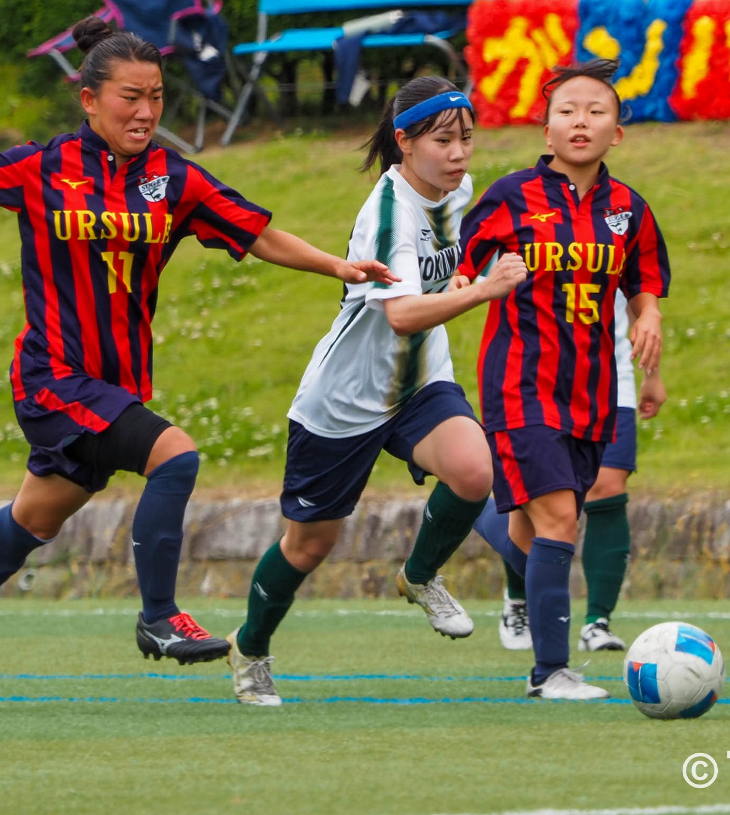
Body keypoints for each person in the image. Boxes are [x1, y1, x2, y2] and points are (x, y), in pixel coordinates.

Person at [0, 18, 395, 697]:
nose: (145, 112)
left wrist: (338, 267)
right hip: (53, 376)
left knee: (37, 517)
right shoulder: (43, 165)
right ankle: (158, 617)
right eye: (129, 98)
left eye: (157, 97)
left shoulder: (173, 180)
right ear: (89, 100)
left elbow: (257, 234)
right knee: (177, 456)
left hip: (114, 386)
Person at [224, 76, 528, 707]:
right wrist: (481, 291)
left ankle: (420, 576)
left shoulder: (455, 189)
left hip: (417, 383)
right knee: (308, 545)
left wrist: (464, 272)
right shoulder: (388, 212)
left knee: (475, 472)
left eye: (467, 139)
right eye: (443, 140)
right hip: (344, 402)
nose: (459, 154)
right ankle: (250, 648)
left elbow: (443, 262)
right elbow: (400, 315)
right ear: (404, 142)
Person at [459, 57, 670, 700]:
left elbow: (644, 283)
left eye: (596, 111)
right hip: (520, 382)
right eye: (567, 112)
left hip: (593, 392)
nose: (581, 121)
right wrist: (474, 284)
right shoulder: (509, 196)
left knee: (537, 525)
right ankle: (550, 671)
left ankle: (484, 520)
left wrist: (650, 317)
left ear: (618, 132)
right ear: (546, 130)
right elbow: (459, 269)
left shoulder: (628, 209)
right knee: (558, 519)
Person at [496, 288, 667, 652]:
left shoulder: (629, 227)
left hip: (608, 379)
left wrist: (652, 372)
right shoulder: (525, 228)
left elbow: (642, 294)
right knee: (535, 499)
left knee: (608, 485)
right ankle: (518, 596)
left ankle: (597, 621)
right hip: (534, 381)